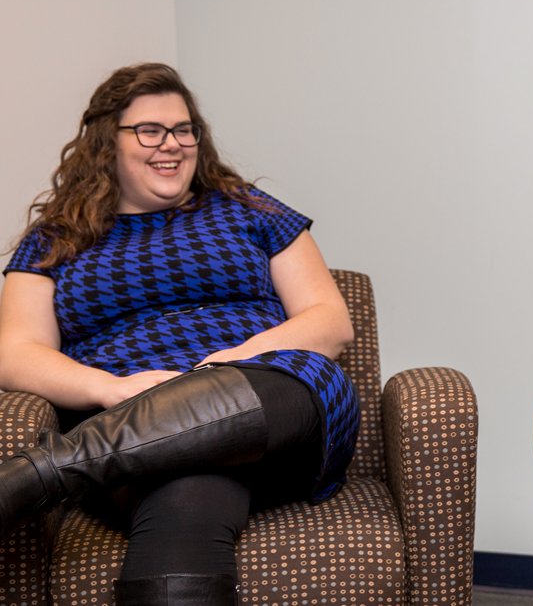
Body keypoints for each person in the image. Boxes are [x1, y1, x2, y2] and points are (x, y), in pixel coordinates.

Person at [0, 63, 358, 605]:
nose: (172, 145)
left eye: (184, 129)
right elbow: (15, 352)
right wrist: (110, 389)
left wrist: (218, 369)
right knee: (185, 495)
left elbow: (330, 322)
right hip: (133, 436)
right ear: (107, 142)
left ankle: (25, 482)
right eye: (150, 130)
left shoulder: (251, 211)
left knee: (290, 376)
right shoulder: (55, 240)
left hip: (274, 404)